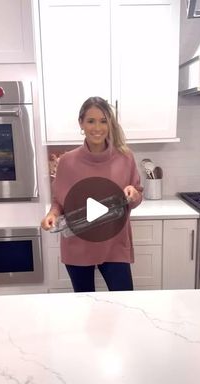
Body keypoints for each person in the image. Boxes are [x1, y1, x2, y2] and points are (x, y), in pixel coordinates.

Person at [41, 97, 143, 292]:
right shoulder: (67, 161)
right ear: (81, 123)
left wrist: (133, 195)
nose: (98, 128)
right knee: (84, 305)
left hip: (115, 244)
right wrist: (52, 215)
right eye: (91, 121)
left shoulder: (125, 157)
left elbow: (136, 194)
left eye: (103, 121)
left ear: (110, 124)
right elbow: (59, 201)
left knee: (125, 302)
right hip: (78, 244)